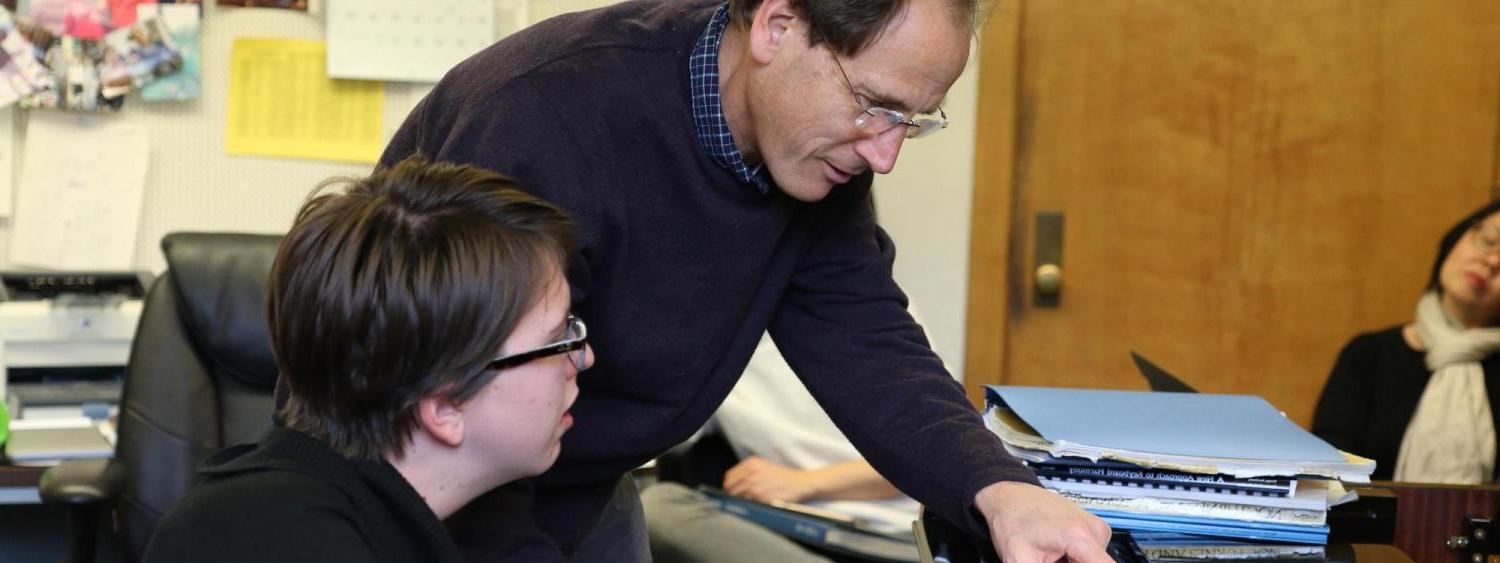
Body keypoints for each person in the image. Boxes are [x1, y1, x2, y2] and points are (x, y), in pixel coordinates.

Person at [381, 1, 1112, 561]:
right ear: (778, 24)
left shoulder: (815, 156)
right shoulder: (543, 116)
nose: (885, 154)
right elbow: (456, 412)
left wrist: (1000, 486)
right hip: (418, 499)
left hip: (584, 490)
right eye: (876, 106)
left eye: (914, 122)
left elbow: (866, 340)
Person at [143, 156, 591, 562]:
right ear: (445, 406)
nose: (583, 357)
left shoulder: (382, 520)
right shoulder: (276, 541)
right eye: (557, 341)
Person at [642, 330, 924, 563]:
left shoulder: (873, 315)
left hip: (894, 537)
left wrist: (805, 483)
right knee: (657, 507)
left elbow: (925, 463)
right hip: (783, 528)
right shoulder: (709, 346)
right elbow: (655, 433)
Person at [1313, 199, 1500, 484]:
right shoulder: (1368, 355)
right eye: (1488, 240)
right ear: (1458, 237)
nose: (1492, 261)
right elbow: (1328, 473)